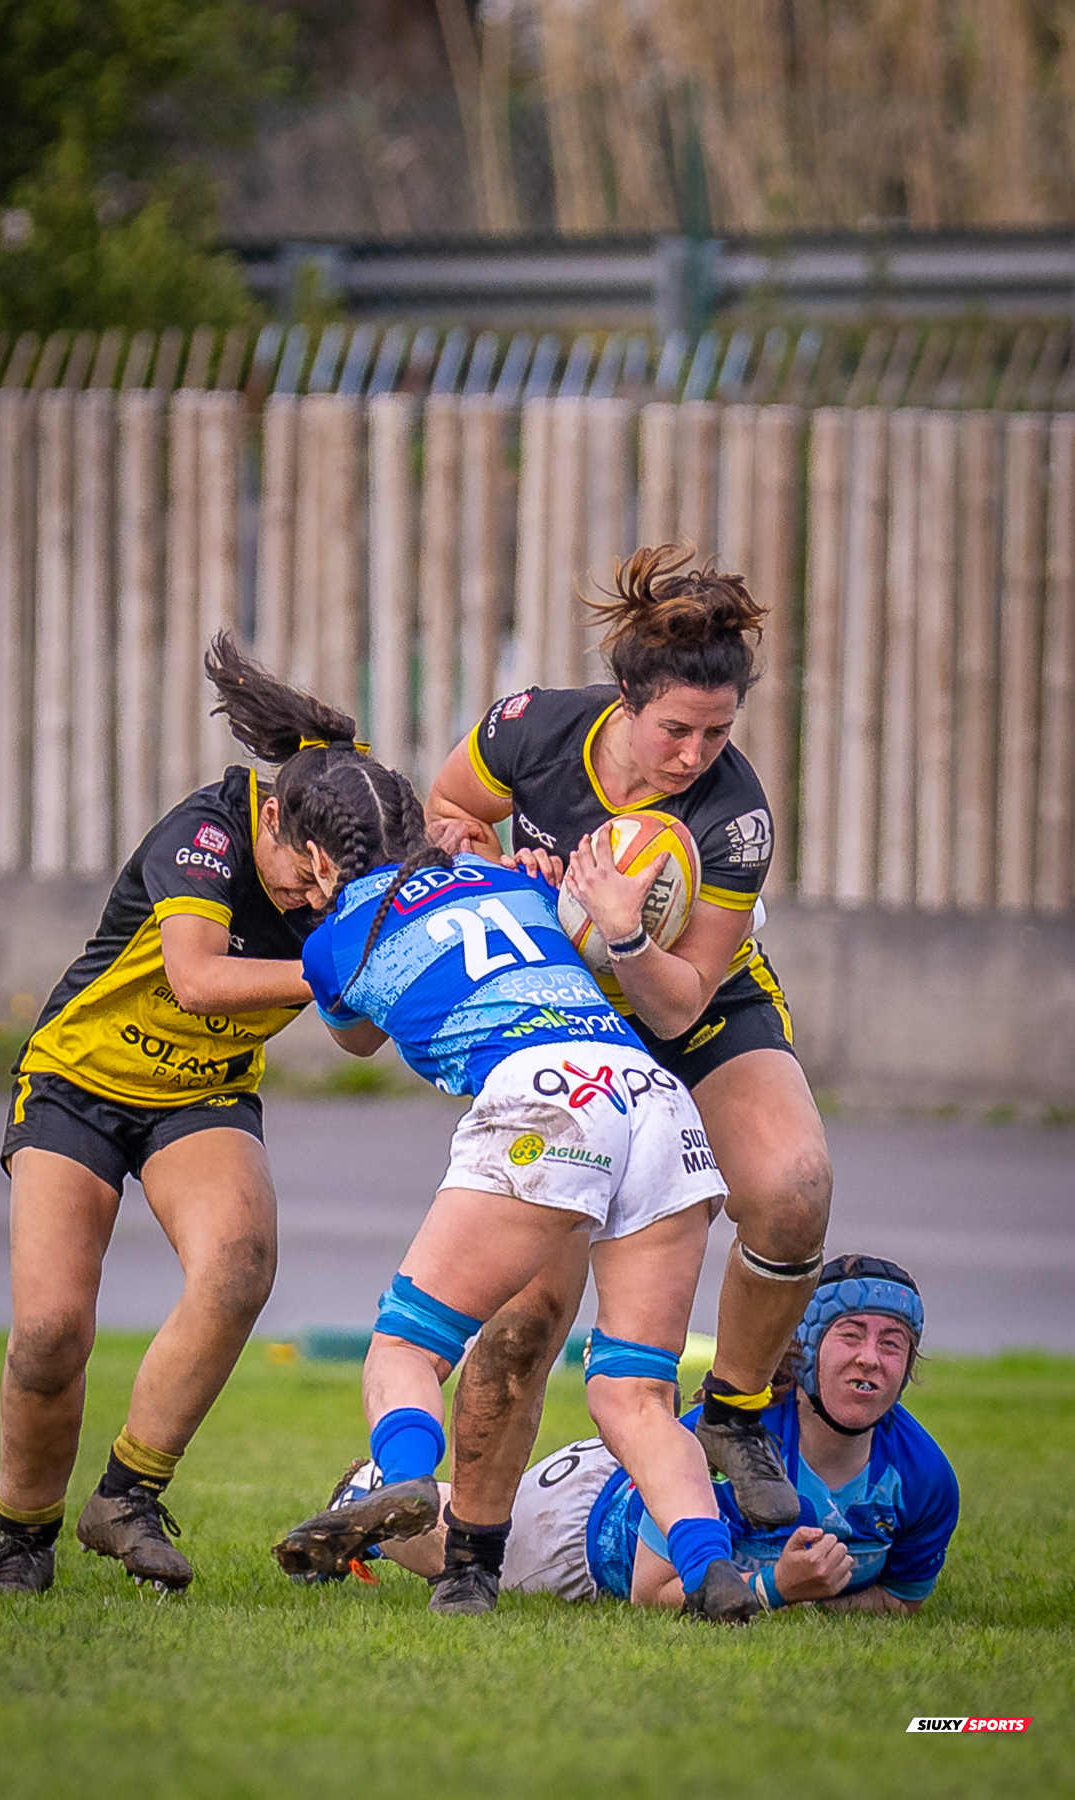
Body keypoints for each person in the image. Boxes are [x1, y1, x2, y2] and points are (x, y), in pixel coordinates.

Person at [0, 635, 425, 1596]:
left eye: (331, 895)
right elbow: (199, 976)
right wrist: (337, 959)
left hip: (201, 1092)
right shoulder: (209, 829)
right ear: (279, 823)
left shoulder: (344, 883)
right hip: (78, 1081)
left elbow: (354, 1042)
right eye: (307, 883)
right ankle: (22, 1539)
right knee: (51, 1330)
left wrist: (392, 958)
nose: (315, 902)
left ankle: (127, 1497)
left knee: (240, 1266)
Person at [423, 542, 833, 1532]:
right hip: (567, 1019)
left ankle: (734, 1410)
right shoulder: (528, 730)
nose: (693, 755)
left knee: (791, 1190)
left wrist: (617, 926)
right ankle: (476, 1546)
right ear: (624, 699)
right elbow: (445, 809)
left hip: (693, 1000)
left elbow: (682, 1002)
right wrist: (474, 856)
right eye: (674, 731)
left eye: (715, 732)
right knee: (527, 1314)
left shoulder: (732, 815)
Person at [271, 825, 758, 1622]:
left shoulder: (332, 940)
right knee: (636, 1392)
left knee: (407, 1346)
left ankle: (400, 1477)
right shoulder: (513, 881)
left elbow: (354, 1037)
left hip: (546, 1096)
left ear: (322, 858)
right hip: (656, 1096)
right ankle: (708, 1566)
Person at [336, 1256, 958, 1616]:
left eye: (892, 1342)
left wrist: (813, 1598)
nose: (871, 1359)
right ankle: (363, 1494)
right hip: (583, 1532)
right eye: (850, 1335)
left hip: (625, 1476)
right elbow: (650, 1590)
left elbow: (900, 1603)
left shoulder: (924, 1478)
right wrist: (777, 1590)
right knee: (460, 1546)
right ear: (801, 1352)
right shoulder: (728, 1445)